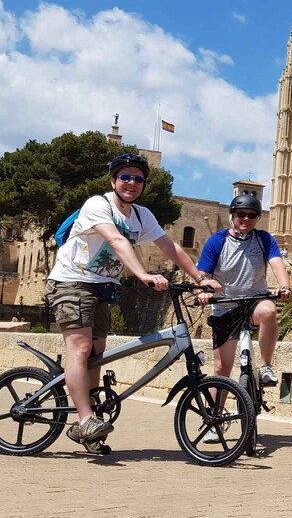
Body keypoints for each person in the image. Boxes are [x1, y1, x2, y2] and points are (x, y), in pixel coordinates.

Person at [45, 153, 221, 445]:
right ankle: (85, 419)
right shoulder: (97, 205)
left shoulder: (142, 215)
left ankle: (89, 423)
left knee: (97, 353)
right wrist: (143, 274)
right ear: (113, 180)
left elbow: (170, 246)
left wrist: (199, 279)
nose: (131, 183)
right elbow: (116, 240)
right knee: (81, 346)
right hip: (72, 280)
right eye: (125, 177)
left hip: (103, 287)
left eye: (138, 179)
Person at [195, 195, 291, 441]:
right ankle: (215, 420)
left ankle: (267, 365)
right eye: (241, 215)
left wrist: (284, 285)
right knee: (221, 368)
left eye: (251, 215)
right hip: (225, 307)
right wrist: (202, 290)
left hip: (254, 302)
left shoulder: (263, 239)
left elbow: (277, 262)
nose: (245, 219)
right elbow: (202, 273)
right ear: (232, 216)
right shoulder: (217, 242)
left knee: (269, 311)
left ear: (257, 218)